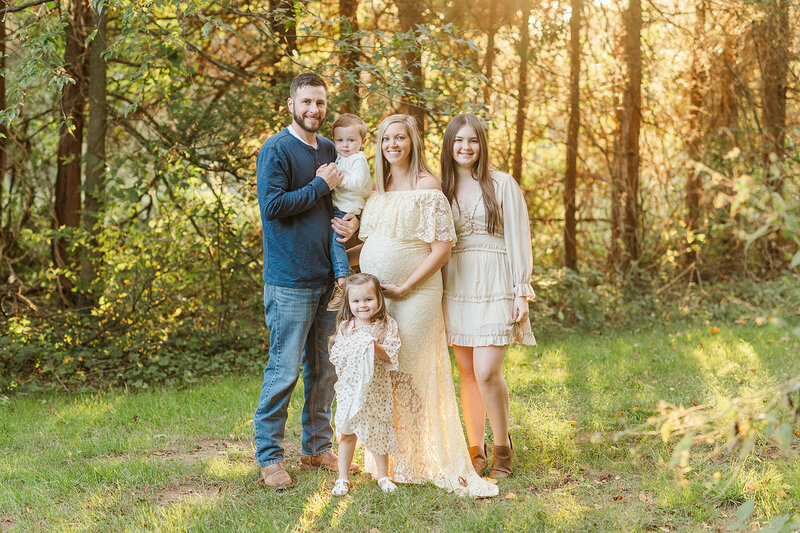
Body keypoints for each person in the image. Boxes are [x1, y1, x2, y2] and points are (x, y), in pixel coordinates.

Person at [352, 114, 499, 498]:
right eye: (386, 139)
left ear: (412, 142)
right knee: (385, 373)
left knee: (412, 369)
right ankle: (393, 459)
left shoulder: (428, 185)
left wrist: (405, 284)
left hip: (415, 294)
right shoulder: (378, 188)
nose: (393, 145)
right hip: (379, 301)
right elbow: (374, 241)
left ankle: (423, 456)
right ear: (379, 145)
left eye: (399, 138)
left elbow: (442, 249)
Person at [254, 72, 360, 489]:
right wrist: (319, 184)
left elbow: (340, 201)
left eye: (320, 102)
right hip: (289, 280)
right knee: (284, 371)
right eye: (306, 102)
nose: (314, 110)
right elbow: (273, 207)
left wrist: (353, 223)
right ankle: (269, 457)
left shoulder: (333, 148)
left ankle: (317, 448)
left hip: (329, 278)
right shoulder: (276, 149)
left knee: (326, 369)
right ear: (291, 105)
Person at [439, 114, 536, 479]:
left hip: (497, 282)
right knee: (466, 371)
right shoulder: (441, 188)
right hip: (457, 285)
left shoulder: (502, 184)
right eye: (459, 140)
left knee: (487, 371)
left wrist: (520, 292)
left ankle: (503, 449)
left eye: (473, 140)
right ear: (449, 145)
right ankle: (475, 450)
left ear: (482, 144)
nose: (466, 147)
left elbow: (519, 239)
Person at [328, 273, 401, 496]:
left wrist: (372, 345)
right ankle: (343, 478)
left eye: (368, 299)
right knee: (347, 433)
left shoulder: (385, 325)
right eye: (356, 301)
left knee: (379, 429)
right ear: (349, 304)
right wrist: (358, 344)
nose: (362, 305)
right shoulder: (346, 328)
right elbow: (338, 356)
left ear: (378, 298)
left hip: (377, 388)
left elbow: (391, 354)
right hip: (352, 390)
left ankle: (384, 475)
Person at [327, 114, 374, 310]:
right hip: (337, 206)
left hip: (346, 209)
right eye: (340, 140)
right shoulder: (341, 157)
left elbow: (357, 183)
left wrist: (336, 178)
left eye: (351, 140)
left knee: (336, 243)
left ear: (362, 142)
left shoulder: (358, 159)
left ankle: (343, 281)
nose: (345, 145)